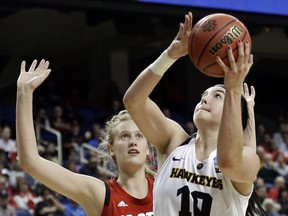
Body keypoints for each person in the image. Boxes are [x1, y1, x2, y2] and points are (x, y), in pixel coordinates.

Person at [123, 11, 267, 215]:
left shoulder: (248, 160)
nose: (204, 99)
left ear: (233, 111)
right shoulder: (174, 140)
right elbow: (133, 101)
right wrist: (169, 56)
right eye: (204, 95)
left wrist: (234, 89)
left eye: (217, 95)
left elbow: (228, 162)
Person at [16, 60, 154, 216]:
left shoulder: (164, 185)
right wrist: (24, 93)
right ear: (112, 149)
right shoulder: (99, 193)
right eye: (124, 136)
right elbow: (30, 162)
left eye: (139, 136)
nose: (133, 141)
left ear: (148, 147)